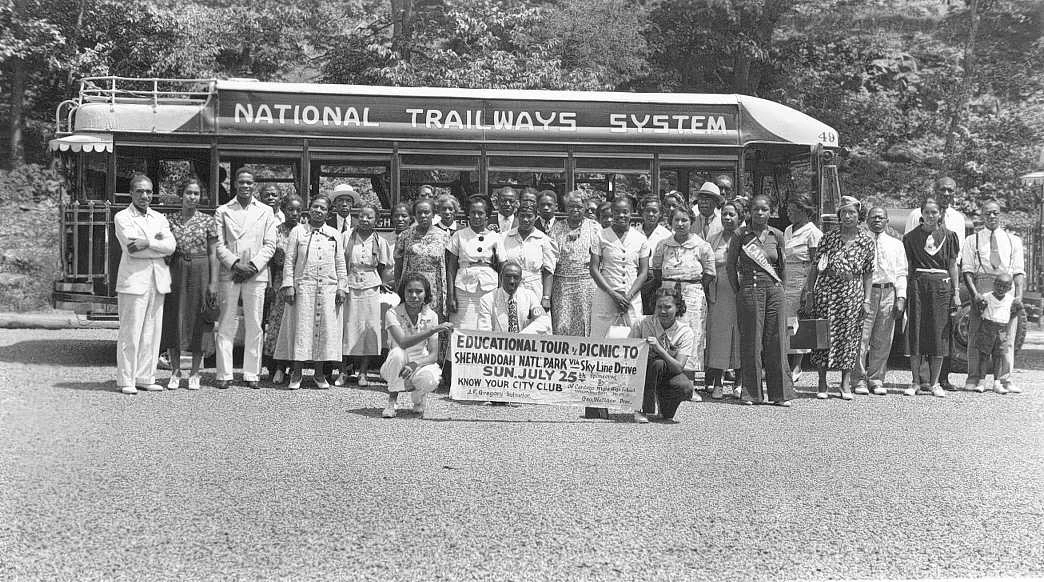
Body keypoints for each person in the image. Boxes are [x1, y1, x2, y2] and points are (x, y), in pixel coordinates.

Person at [726, 194, 795, 406]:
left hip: (774, 290)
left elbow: (783, 266)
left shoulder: (778, 235)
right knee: (751, 341)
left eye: (764, 209)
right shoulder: (740, 235)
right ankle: (752, 393)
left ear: (771, 211)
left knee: (777, 340)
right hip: (750, 288)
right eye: (755, 209)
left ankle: (780, 394)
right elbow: (730, 266)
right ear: (749, 212)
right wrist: (740, 290)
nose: (759, 213)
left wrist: (781, 290)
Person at [214, 168, 278, 389]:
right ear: (235, 185)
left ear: (254, 185)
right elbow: (219, 245)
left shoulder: (266, 211)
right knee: (226, 323)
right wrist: (234, 264)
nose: (245, 186)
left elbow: (270, 244)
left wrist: (252, 266)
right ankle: (224, 374)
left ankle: (252, 374)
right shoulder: (222, 210)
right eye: (241, 182)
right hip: (230, 272)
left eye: (249, 182)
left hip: (255, 274)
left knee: (255, 324)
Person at [806, 196, 875, 399]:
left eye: (851, 212)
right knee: (823, 335)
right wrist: (810, 294)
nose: (847, 216)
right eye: (843, 212)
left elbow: (869, 272)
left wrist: (867, 300)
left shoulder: (866, 241)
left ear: (858, 215)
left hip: (853, 292)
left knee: (849, 337)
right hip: (828, 291)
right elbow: (815, 268)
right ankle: (822, 382)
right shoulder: (828, 238)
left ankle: (845, 383)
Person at [276, 195, 347, 390]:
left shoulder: (334, 234)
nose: (318, 210)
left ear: (328, 212)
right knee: (301, 329)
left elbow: (340, 263)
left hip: (327, 289)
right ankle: (296, 373)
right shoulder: (298, 232)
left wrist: (342, 286)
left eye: (323, 208)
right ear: (309, 209)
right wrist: (288, 285)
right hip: (303, 288)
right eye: (315, 206)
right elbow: (289, 261)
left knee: (324, 330)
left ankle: (318, 374)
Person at [114, 174, 176, 394]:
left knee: (152, 331)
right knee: (131, 332)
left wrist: (148, 242)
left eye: (149, 191)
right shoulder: (122, 217)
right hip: (133, 281)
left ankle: (145, 376)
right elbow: (131, 249)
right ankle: (126, 380)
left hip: (157, 280)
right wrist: (156, 244)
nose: (145, 196)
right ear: (131, 193)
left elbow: (171, 246)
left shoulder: (159, 217)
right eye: (140, 191)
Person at [904, 176, 967, 390]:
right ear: (935, 190)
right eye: (943, 190)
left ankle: (941, 378)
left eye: (951, 190)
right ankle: (920, 379)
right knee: (919, 328)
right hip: (921, 281)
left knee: (941, 330)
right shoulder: (915, 216)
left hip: (943, 280)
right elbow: (912, 252)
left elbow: (955, 258)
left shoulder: (957, 219)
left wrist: (955, 290)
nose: (947, 194)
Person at [160, 177, 218, 391]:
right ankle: (175, 371)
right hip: (176, 269)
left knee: (198, 320)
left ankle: (195, 373)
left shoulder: (207, 221)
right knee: (174, 318)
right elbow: (163, 246)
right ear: (181, 195)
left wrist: (213, 282)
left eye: (196, 193)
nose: (192, 197)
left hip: (201, 269)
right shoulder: (169, 220)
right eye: (188, 193)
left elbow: (213, 254)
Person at [961, 200, 1026, 393]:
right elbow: (967, 270)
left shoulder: (1013, 240)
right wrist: (975, 295)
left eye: (995, 213)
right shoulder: (972, 240)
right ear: (982, 215)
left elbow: (1018, 272)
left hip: (1006, 289)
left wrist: (1019, 297)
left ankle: (1004, 379)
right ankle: (973, 378)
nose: (991, 217)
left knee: (1006, 337)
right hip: (982, 287)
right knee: (976, 336)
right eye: (988, 213)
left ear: (1000, 215)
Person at [652, 206, 715, 390]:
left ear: (691, 222)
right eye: (676, 220)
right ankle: (666, 381)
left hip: (692, 294)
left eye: (684, 220)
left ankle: (690, 384)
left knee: (692, 335)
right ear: (670, 222)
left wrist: (690, 286)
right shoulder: (663, 245)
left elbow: (709, 274)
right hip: (667, 294)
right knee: (666, 332)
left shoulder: (702, 246)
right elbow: (656, 270)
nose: (680, 224)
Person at [380, 274, 454, 418]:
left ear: (426, 294)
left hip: (419, 362)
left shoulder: (431, 315)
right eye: (409, 291)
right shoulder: (392, 312)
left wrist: (415, 364)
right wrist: (432, 330)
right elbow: (402, 342)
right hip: (395, 363)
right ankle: (392, 401)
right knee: (397, 353)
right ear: (403, 292)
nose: (414, 295)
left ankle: (418, 398)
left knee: (431, 378)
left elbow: (433, 355)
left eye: (419, 291)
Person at [853, 206, 908, 396]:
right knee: (860, 338)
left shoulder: (896, 244)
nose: (877, 220)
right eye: (873, 217)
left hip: (888, 292)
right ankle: (858, 379)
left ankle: (876, 379)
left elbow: (901, 272)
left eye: (881, 217)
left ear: (887, 221)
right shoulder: (859, 242)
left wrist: (901, 297)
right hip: (865, 293)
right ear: (867, 220)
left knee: (883, 339)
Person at [340, 202, 394, 387]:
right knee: (347, 327)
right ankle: (343, 371)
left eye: (369, 216)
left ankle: (363, 372)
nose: (364, 219)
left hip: (371, 287)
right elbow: (339, 262)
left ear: (376, 220)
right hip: (349, 284)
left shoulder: (380, 241)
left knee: (368, 329)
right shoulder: (346, 237)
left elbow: (384, 267)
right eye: (361, 215)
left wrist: (383, 283)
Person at [629, 287, 696, 424]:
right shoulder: (642, 323)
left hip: (669, 372)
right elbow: (629, 354)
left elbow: (678, 367)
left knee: (685, 387)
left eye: (668, 307)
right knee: (656, 364)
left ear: (678, 308)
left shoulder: (685, 332)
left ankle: (663, 402)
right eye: (659, 307)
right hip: (642, 372)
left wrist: (659, 349)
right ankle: (642, 408)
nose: (663, 311)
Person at [590, 197, 649, 337]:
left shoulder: (640, 238)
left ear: (632, 213)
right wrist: (613, 294)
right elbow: (593, 268)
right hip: (606, 295)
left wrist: (627, 297)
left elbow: (643, 272)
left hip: (631, 296)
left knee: (633, 336)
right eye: (617, 212)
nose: (621, 215)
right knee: (601, 337)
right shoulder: (600, 236)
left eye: (625, 212)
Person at [262, 194, 304, 384]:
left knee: (297, 324)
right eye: (290, 209)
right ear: (284, 210)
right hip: (279, 282)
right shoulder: (275, 230)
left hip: (301, 282)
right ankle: (277, 367)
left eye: (298, 210)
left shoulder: (306, 231)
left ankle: (296, 367)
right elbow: (269, 261)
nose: (294, 213)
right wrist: (270, 284)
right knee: (278, 324)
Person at [548, 191, 602, 337]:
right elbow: (550, 258)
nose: (575, 210)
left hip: (586, 283)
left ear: (585, 207)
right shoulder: (556, 228)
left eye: (579, 206)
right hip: (562, 283)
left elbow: (600, 257)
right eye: (571, 206)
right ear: (565, 208)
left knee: (586, 320)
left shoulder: (594, 227)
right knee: (561, 323)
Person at [705, 201, 744, 399]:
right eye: (725, 214)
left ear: (740, 217)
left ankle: (739, 382)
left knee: (740, 335)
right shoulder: (713, 239)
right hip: (719, 295)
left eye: (732, 214)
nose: (728, 218)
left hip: (741, 293)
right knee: (719, 337)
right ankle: (718, 382)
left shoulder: (747, 238)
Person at [782, 193, 822, 380]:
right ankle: (785, 362)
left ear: (804, 211)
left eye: (793, 210)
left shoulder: (813, 232)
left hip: (802, 279)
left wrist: (809, 289)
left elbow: (817, 262)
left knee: (797, 321)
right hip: (786, 277)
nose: (789, 213)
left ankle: (797, 365)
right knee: (786, 322)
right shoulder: (789, 230)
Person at [446, 195, 501, 330]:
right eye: (473, 213)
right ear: (468, 215)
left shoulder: (495, 237)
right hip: (463, 288)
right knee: (462, 326)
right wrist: (451, 296)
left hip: (489, 288)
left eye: (480, 213)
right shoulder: (459, 235)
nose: (476, 216)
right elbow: (451, 268)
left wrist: (500, 294)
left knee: (486, 326)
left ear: (487, 216)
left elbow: (502, 267)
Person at [395, 199, 450, 319]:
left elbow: (449, 265)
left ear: (434, 214)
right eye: (419, 213)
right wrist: (398, 290)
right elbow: (398, 266)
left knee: (431, 322)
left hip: (435, 287)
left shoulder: (444, 236)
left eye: (426, 212)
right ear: (414, 215)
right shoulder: (404, 236)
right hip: (411, 288)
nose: (423, 216)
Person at [970, 272, 1021, 394]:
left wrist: (1008, 318)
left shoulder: (1011, 300)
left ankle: (997, 382)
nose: (1001, 289)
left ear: (1009, 288)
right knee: (984, 356)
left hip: (1002, 330)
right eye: (998, 285)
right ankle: (981, 382)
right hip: (987, 328)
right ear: (994, 284)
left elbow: (1017, 311)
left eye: (1004, 287)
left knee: (999, 356)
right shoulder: (986, 297)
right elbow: (978, 309)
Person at [501, 204, 555, 309]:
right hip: (510, 288)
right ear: (517, 216)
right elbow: (500, 267)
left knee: (534, 321)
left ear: (536, 217)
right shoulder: (504, 238)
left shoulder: (544, 240)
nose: (525, 219)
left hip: (534, 289)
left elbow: (548, 271)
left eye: (529, 216)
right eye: (522, 216)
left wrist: (546, 297)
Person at [477, 261, 552, 334]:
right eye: (508, 276)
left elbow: (543, 320)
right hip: (497, 345)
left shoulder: (530, 296)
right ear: (500, 277)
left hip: (523, 343)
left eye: (515, 277)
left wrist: (520, 338)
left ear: (520, 279)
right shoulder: (487, 300)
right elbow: (484, 332)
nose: (511, 281)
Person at [638, 196, 673, 314]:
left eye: (655, 211)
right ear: (642, 212)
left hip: (657, 282)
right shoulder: (634, 233)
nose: (651, 214)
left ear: (660, 214)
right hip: (636, 281)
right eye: (648, 210)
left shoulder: (666, 235)